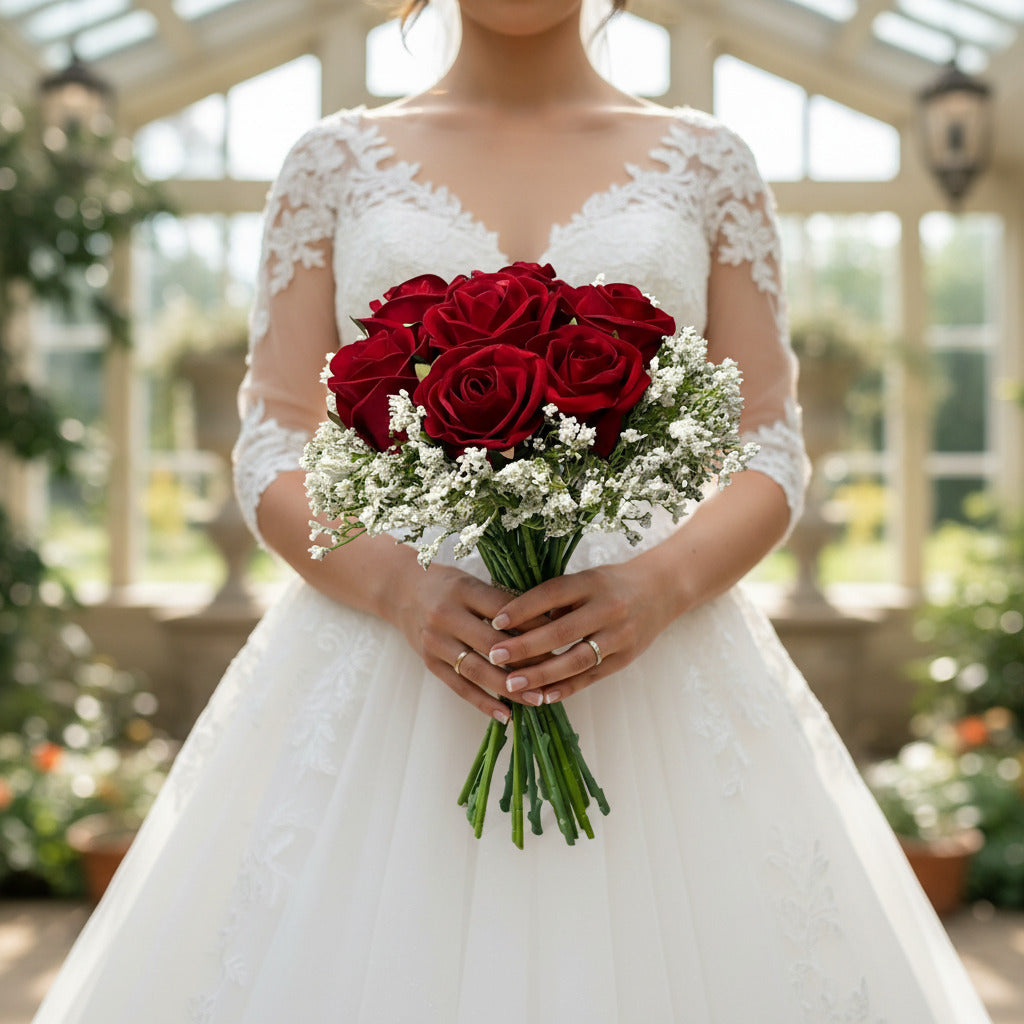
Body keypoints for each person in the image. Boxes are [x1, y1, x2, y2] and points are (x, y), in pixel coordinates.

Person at [33, 1, 995, 1021]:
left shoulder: (709, 161)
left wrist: (658, 585)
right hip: (389, 662)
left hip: (654, 662)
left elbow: (768, 443)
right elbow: (275, 439)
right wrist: (398, 587)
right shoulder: (332, 162)